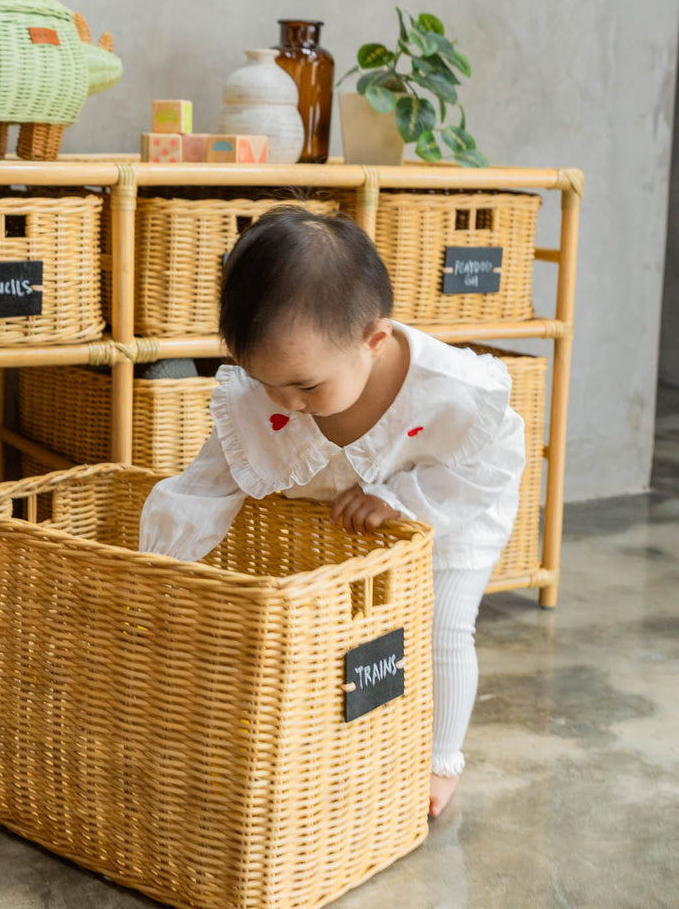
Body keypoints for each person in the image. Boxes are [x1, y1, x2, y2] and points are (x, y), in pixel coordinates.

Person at [139, 205, 525, 817]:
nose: (287, 404)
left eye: (307, 387)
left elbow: (489, 469)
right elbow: (210, 481)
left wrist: (401, 500)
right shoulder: (273, 389)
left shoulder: (453, 391)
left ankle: (440, 760)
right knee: (340, 635)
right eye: (266, 382)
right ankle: (355, 739)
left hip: (452, 504)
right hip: (343, 517)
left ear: (374, 341)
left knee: (442, 624)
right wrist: (156, 563)